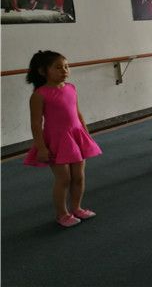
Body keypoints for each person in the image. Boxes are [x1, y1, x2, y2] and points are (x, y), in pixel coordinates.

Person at [24, 50, 102, 227]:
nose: (64, 70)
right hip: (57, 140)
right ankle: (62, 214)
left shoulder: (71, 88)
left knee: (79, 177)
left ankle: (76, 208)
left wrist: (86, 135)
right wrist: (41, 147)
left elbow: (78, 113)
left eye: (66, 66)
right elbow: (36, 123)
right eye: (58, 67)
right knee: (64, 179)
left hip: (76, 136)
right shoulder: (39, 95)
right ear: (43, 71)